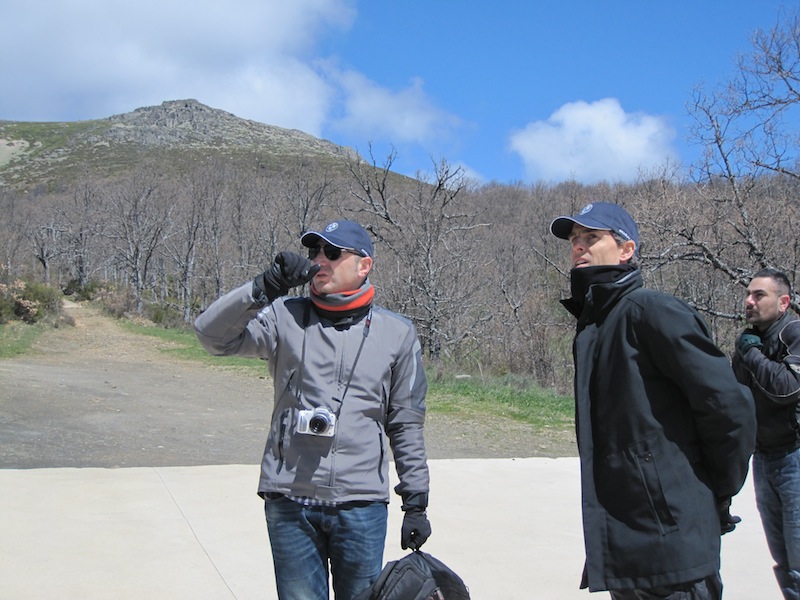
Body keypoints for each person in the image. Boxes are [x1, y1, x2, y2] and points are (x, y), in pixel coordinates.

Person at [194, 219, 432, 600]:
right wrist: (264, 286)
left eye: (333, 253)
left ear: (364, 265)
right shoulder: (284, 316)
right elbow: (210, 336)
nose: (320, 260)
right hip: (290, 500)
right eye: (314, 251)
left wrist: (416, 502)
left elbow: (405, 423)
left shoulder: (397, 333)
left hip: (361, 505)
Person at [549, 201, 756, 599]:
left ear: (626, 250)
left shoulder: (651, 312)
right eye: (574, 240)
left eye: (591, 237)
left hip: (672, 545)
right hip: (628, 548)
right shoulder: (596, 325)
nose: (578, 247)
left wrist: (716, 489)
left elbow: (730, 407)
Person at [732, 268, 800, 600]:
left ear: (783, 302)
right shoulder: (750, 340)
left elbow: (788, 389)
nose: (749, 301)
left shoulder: (794, 333)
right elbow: (734, 396)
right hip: (763, 458)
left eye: (759, 295)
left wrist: (751, 354)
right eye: (748, 294)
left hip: (795, 458)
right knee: (783, 562)